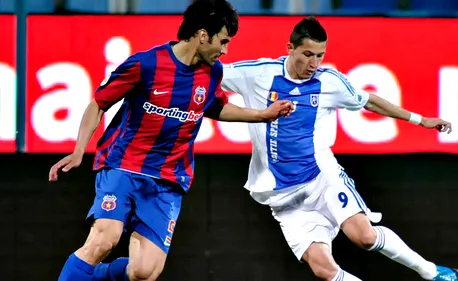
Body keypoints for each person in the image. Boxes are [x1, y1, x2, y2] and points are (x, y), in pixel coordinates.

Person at [48, 1, 293, 281]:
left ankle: (95, 276)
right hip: (124, 165)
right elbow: (98, 103)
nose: (224, 50)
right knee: (105, 239)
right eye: (223, 41)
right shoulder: (146, 64)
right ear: (203, 35)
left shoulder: (213, 73)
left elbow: (215, 107)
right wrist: (80, 150)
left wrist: (262, 115)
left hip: (167, 178)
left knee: (144, 272)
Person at [221, 16, 458, 281]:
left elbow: (370, 101)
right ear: (289, 48)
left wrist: (421, 120)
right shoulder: (257, 74)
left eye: (320, 55)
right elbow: (209, 72)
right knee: (324, 270)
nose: (313, 63)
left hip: (322, 178)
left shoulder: (330, 82)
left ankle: (432, 272)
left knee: (364, 236)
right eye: (307, 54)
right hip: (282, 195)